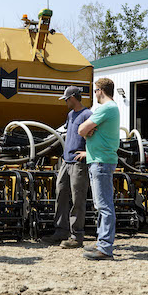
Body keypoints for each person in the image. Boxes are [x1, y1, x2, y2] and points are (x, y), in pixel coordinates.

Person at [43, 86, 92, 248]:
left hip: (79, 163)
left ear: (72, 98)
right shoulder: (71, 115)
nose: (65, 102)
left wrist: (87, 152)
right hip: (66, 160)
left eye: (65, 99)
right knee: (61, 193)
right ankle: (61, 231)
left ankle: (76, 236)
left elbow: (95, 136)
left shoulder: (87, 115)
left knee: (78, 198)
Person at [77, 77, 120, 260]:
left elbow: (81, 130)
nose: (94, 94)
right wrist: (90, 134)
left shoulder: (106, 108)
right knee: (102, 205)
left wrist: (87, 132)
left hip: (100, 162)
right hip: (100, 159)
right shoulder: (111, 109)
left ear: (100, 91)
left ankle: (105, 248)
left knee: (104, 206)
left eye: (95, 90)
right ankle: (102, 243)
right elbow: (88, 131)